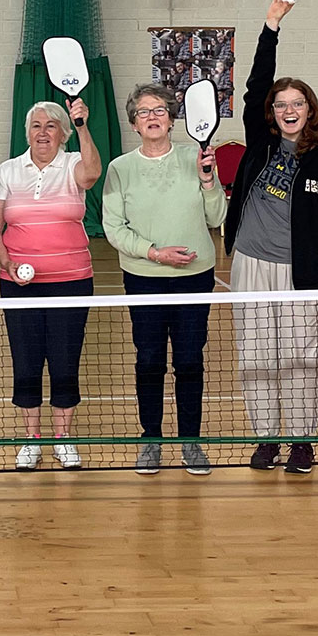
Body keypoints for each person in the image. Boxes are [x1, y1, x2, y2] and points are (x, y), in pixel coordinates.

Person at [222, 0, 318, 474]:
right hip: (250, 263)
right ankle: (266, 439)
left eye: (298, 103)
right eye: (282, 104)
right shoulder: (261, 143)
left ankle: (302, 441)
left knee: (300, 357)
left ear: (310, 111)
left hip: (301, 271)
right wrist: (270, 27)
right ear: (273, 112)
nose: (289, 110)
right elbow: (254, 87)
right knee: (257, 355)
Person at [102, 85, 225, 475]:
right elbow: (113, 228)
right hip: (144, 278)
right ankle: (150, 440)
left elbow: (217, 217)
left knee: (189, 361)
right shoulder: (119, 168)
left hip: (194, 277)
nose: (152, 117)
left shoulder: (197, 158)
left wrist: (208, 181)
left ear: (173, 119)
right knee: (150, 360)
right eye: (143, 112)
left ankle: (191, 441)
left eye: (160, 110)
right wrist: (155, 252)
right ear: (134, 124)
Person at [0, 98, 102, 470]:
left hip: (72, 279)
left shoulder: (72, 164)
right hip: (19, 284)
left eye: (51, 126)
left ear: (63, 133)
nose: (42, 132)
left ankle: (63, 439)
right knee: (26, 359)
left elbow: (92, 175)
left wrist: (83, 125)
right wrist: (8, 262)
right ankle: (31, 439)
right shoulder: (8, 170)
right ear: (27, 133)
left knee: (65, 359)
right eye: (36, 126)